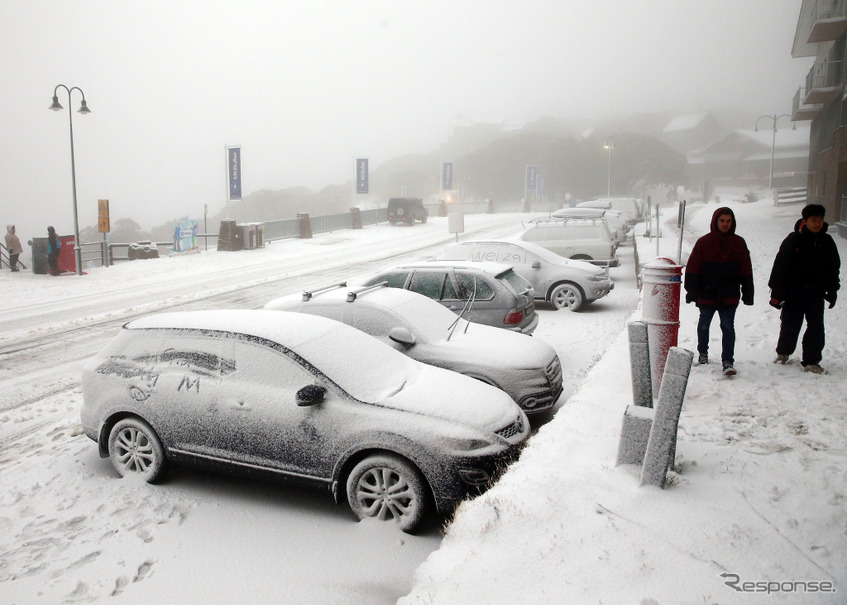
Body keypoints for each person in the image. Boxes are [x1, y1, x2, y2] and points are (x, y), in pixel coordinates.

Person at [768, 203, 841, 374]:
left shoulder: (827, 242)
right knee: (790, 324)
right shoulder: (794, 240)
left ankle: (812, 360)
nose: (817, 224)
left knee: (816, 327)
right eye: (814, 220)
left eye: (820, 220)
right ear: (805, 221)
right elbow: (780, 267)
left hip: (816, 293)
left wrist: (832, 290)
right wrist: (777, 292)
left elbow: (833, 268)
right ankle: (784, 352)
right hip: (793, 293)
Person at [684, 207, 754, 376]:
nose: (725, 224)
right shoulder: (704, 242)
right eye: (722, 221)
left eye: (728, 221)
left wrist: (748, 292)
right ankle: (703, 353)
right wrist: (691, 291)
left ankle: (728, 361)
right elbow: (693, 268)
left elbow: (745, 269)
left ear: (733, 222)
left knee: (728, 327)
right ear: (716, 221)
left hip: (729, 294)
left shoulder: (739, 243)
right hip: (706, 293)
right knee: (703, 325)